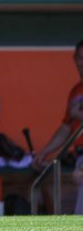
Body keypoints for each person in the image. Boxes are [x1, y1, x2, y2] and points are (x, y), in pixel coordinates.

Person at [33, 40, 83, 214]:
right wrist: (45, 151)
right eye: (80, 58)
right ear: (75, 59)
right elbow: (66, 128)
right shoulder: (77, 91)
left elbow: (77, 117)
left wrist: (80, 115)